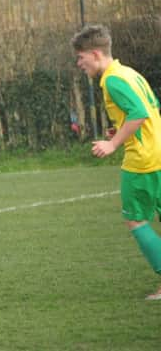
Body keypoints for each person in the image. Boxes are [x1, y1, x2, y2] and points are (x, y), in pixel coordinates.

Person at [71, 24, 161, 300]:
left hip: (143, 161)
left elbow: (138, 114)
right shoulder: (129, 73)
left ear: (96, 54)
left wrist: (113, 143)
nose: (79, 63)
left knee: (135, 219)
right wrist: (121, 128)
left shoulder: (112, 79)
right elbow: (151, 107)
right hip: (159, 152)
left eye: (81, 57)